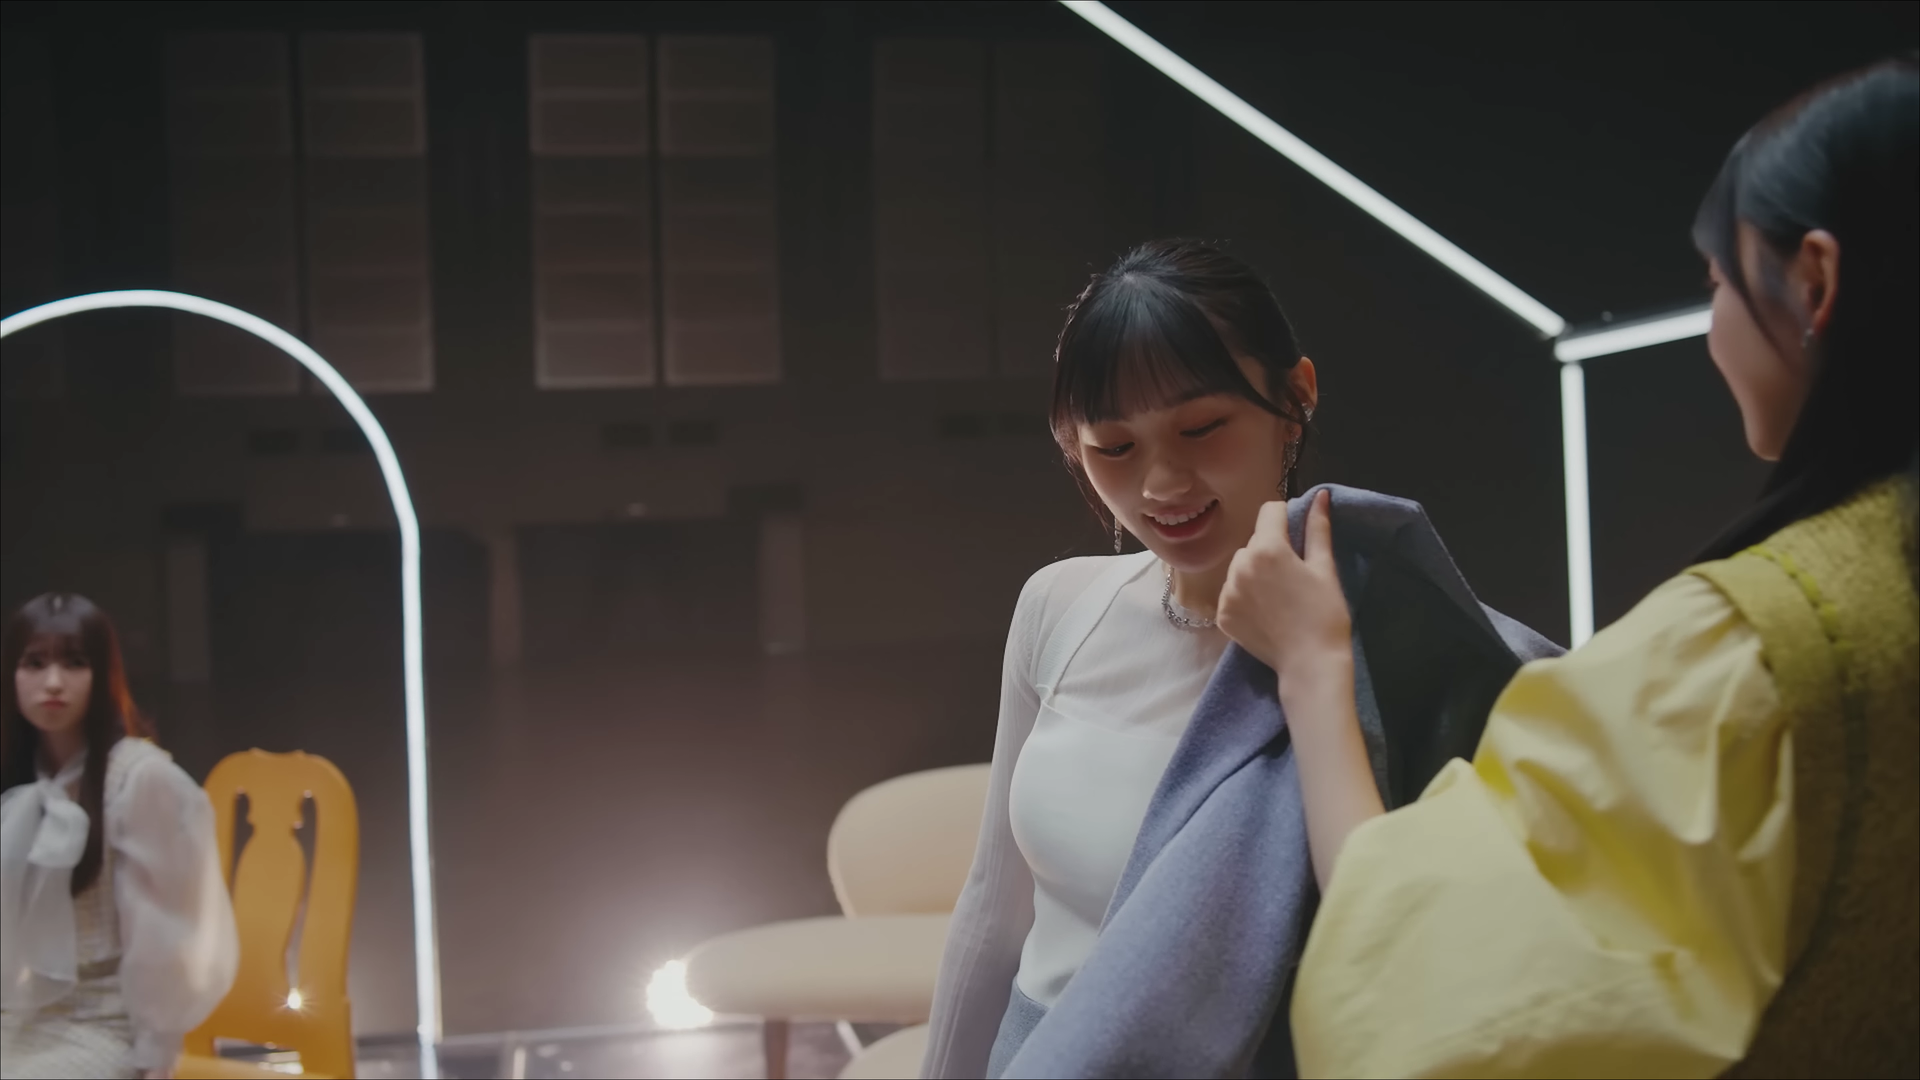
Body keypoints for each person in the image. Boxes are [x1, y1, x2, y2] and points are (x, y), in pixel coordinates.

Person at [1217, 58, 1918, 1077]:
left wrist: (1312, 666)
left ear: (1814, 280)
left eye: (1719, 282)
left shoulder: (1745, 656)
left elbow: (1427, 996)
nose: (1713, 330)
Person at [0, 593, 238, 1080]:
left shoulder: (139, 780)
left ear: (103, 675)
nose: (53, 682)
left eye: (74, 663)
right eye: (35, 663)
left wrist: (156, 1048)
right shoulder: (22, 781)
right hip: (21, 1019)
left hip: (106, 1025)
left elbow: (170, 933)